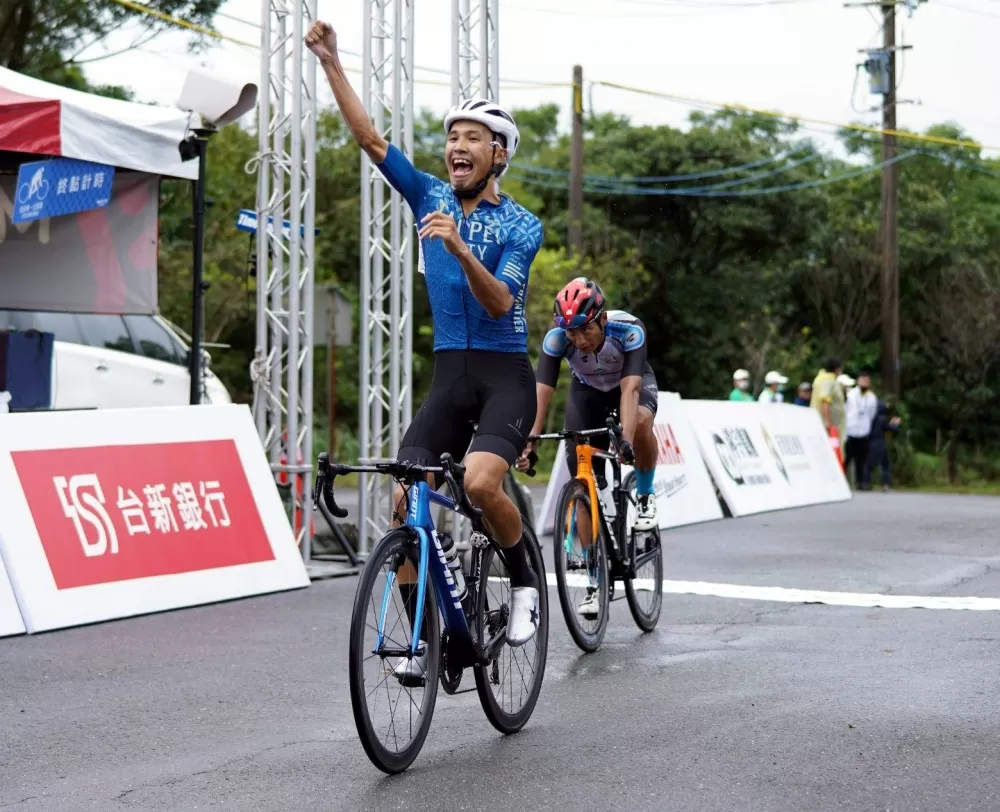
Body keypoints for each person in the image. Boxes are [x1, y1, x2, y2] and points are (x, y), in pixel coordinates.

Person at [306, 21, 543, 670]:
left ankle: (524, 581)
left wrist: (462, 247)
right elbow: (370, 138)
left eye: (472, 139)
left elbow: (501, 301)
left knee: (481, 480)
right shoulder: (429, 195)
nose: (456, 147)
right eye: (451, 138)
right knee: (406, 503)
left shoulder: (521, 224)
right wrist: (331, 62)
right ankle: (420, 639)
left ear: (499, 155)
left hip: (502, 378)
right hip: (450, 375)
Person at [517, 277, 658, 618]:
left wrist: (624, 437)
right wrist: (531, 440)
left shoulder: (629, 331)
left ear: (603, 320)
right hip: (588, 393)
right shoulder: (556, 341)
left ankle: (644, 494)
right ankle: (595, 580)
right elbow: (543, 393)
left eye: (585, 330)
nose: (579, 340)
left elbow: (630, 389)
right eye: (571, 333)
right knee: (580, 470)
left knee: (639, 423)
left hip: (629, 387)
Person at [844, 370, 879, 490]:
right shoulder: (851, 394)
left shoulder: (872, 397)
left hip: (864, 431)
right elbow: (845, 409)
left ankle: (860, 482)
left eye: (867, 381)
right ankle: (841, 481)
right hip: (850, 430)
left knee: (861, 459)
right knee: (847, 458)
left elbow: (872, 414)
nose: (865, 382)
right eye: (862, 380)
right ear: (858, 381)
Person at [867, 399, 902, 491]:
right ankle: (885, 485)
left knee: (868, 466)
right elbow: (891, 428)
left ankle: (865, 483)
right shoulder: (882, 418)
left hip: (869, 444)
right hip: (880, 444)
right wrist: (896, 424)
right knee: (885, 465)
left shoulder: (869, 418)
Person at [811, 358, 847, 445]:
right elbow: (825, 400)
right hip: (828, 425)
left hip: (820, 421)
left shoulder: (820, 378)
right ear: (837, 369)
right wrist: (828, 422)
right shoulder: (828, 380)